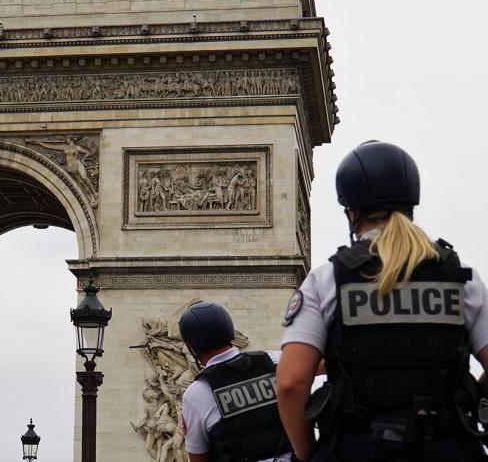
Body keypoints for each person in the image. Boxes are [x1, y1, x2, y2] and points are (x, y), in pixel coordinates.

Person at [277, 141, 488, 461]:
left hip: (357, 449)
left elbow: (291, 382)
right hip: (447, 447)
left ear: (351, 212)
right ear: (411, 205)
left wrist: (307, 453)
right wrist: (471, 398)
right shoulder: (462, 278)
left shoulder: (326, 280)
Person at [180, 301, 292, 461]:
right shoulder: (274, 360)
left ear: (191, 347)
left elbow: (198, 458)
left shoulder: (195, 394)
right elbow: (326, 364)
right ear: (230, 330)